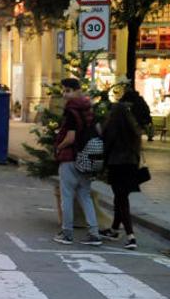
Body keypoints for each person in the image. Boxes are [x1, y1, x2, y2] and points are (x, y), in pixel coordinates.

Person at [53, 77, 103, 246]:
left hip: (71, 157)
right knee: (85, 195)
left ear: (77, 91)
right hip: (88, 158)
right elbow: (98, 130)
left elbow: (71, 137)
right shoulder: (89, 109)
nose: (65, 94)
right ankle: (94, 233)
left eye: (68, 90)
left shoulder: (71, 111)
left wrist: (59, 146)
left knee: (67, 196)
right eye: (64, 91)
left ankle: (67, 233)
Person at [101, 103, 142, 250]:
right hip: (131, 166)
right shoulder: (133, 129)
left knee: (121, 199)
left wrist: (102, 166)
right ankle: (114, 229)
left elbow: (106, 147)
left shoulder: (112, 127)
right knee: (121, 198)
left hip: (116, 165)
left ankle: (131, 236)